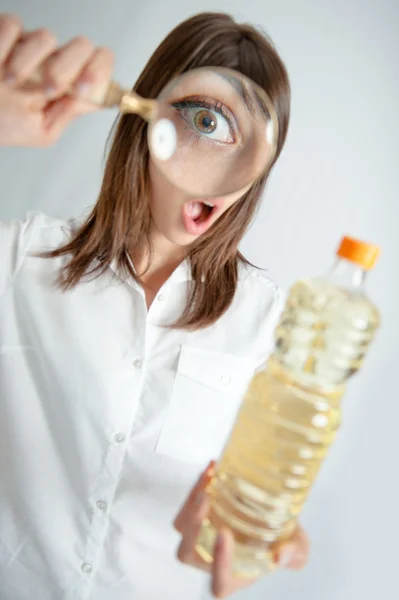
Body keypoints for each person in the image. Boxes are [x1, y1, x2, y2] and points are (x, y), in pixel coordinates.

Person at [0, 11, 310, 600]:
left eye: (256, 139)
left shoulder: (267, 326)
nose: (225, 166)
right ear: (146, 121)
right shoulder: (19, 259)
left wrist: (253, 548)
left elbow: (266, 521)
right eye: (207, 119)